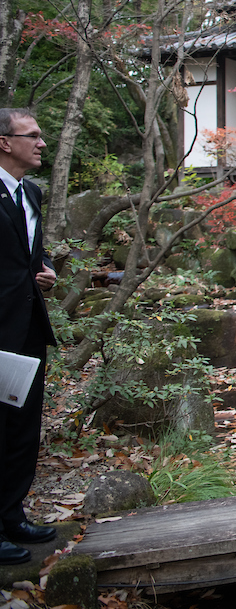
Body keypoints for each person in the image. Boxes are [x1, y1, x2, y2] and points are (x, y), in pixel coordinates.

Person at [0, 108, 58, 565]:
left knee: (22, 427)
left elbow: (33, 254)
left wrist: (47, 272)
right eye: (32, 135)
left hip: (28, 327)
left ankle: (12, 515)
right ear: (4, 141)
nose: (41, 143)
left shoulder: (31, 192)